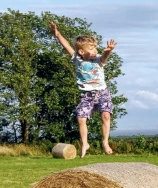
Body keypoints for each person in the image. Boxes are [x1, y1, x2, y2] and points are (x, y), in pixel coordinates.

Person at [49, 21, 117, 157]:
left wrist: (108, 51)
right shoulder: (77, 59)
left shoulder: (98, 60)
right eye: (92, 49)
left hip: (102, 92)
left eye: (96, 48)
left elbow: (104, 57)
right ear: (81, 51)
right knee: (81, 118)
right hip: (88, 94)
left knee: (105, 115)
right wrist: (57, 34)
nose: (95, 51)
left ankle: (105, 141)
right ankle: (85, 143)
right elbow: (66, 45)